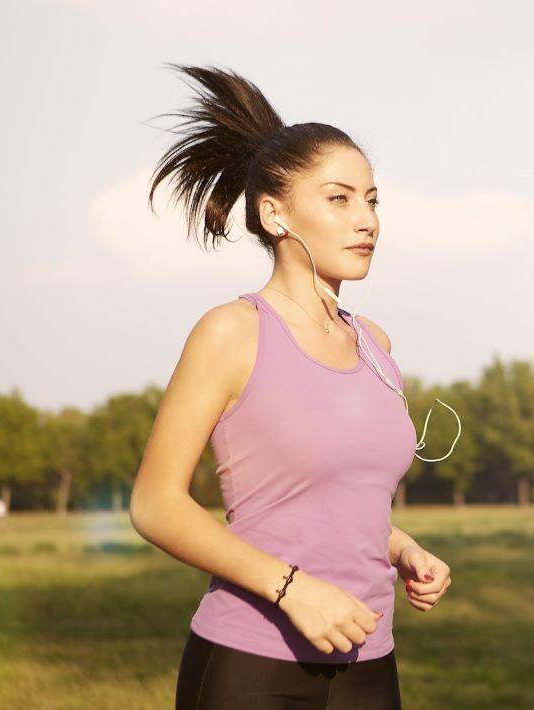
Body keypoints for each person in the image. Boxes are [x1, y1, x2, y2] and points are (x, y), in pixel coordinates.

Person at [130, 63, 454, 709]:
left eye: (372, 199)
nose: (366, 220)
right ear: (274, 213)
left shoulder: (375, 345)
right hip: (252, 665)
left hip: (370, 661)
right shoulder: (233, 331)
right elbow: (155, 504)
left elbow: (322, 501)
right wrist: (292, 590)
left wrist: (401, 546)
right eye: (339, 198)